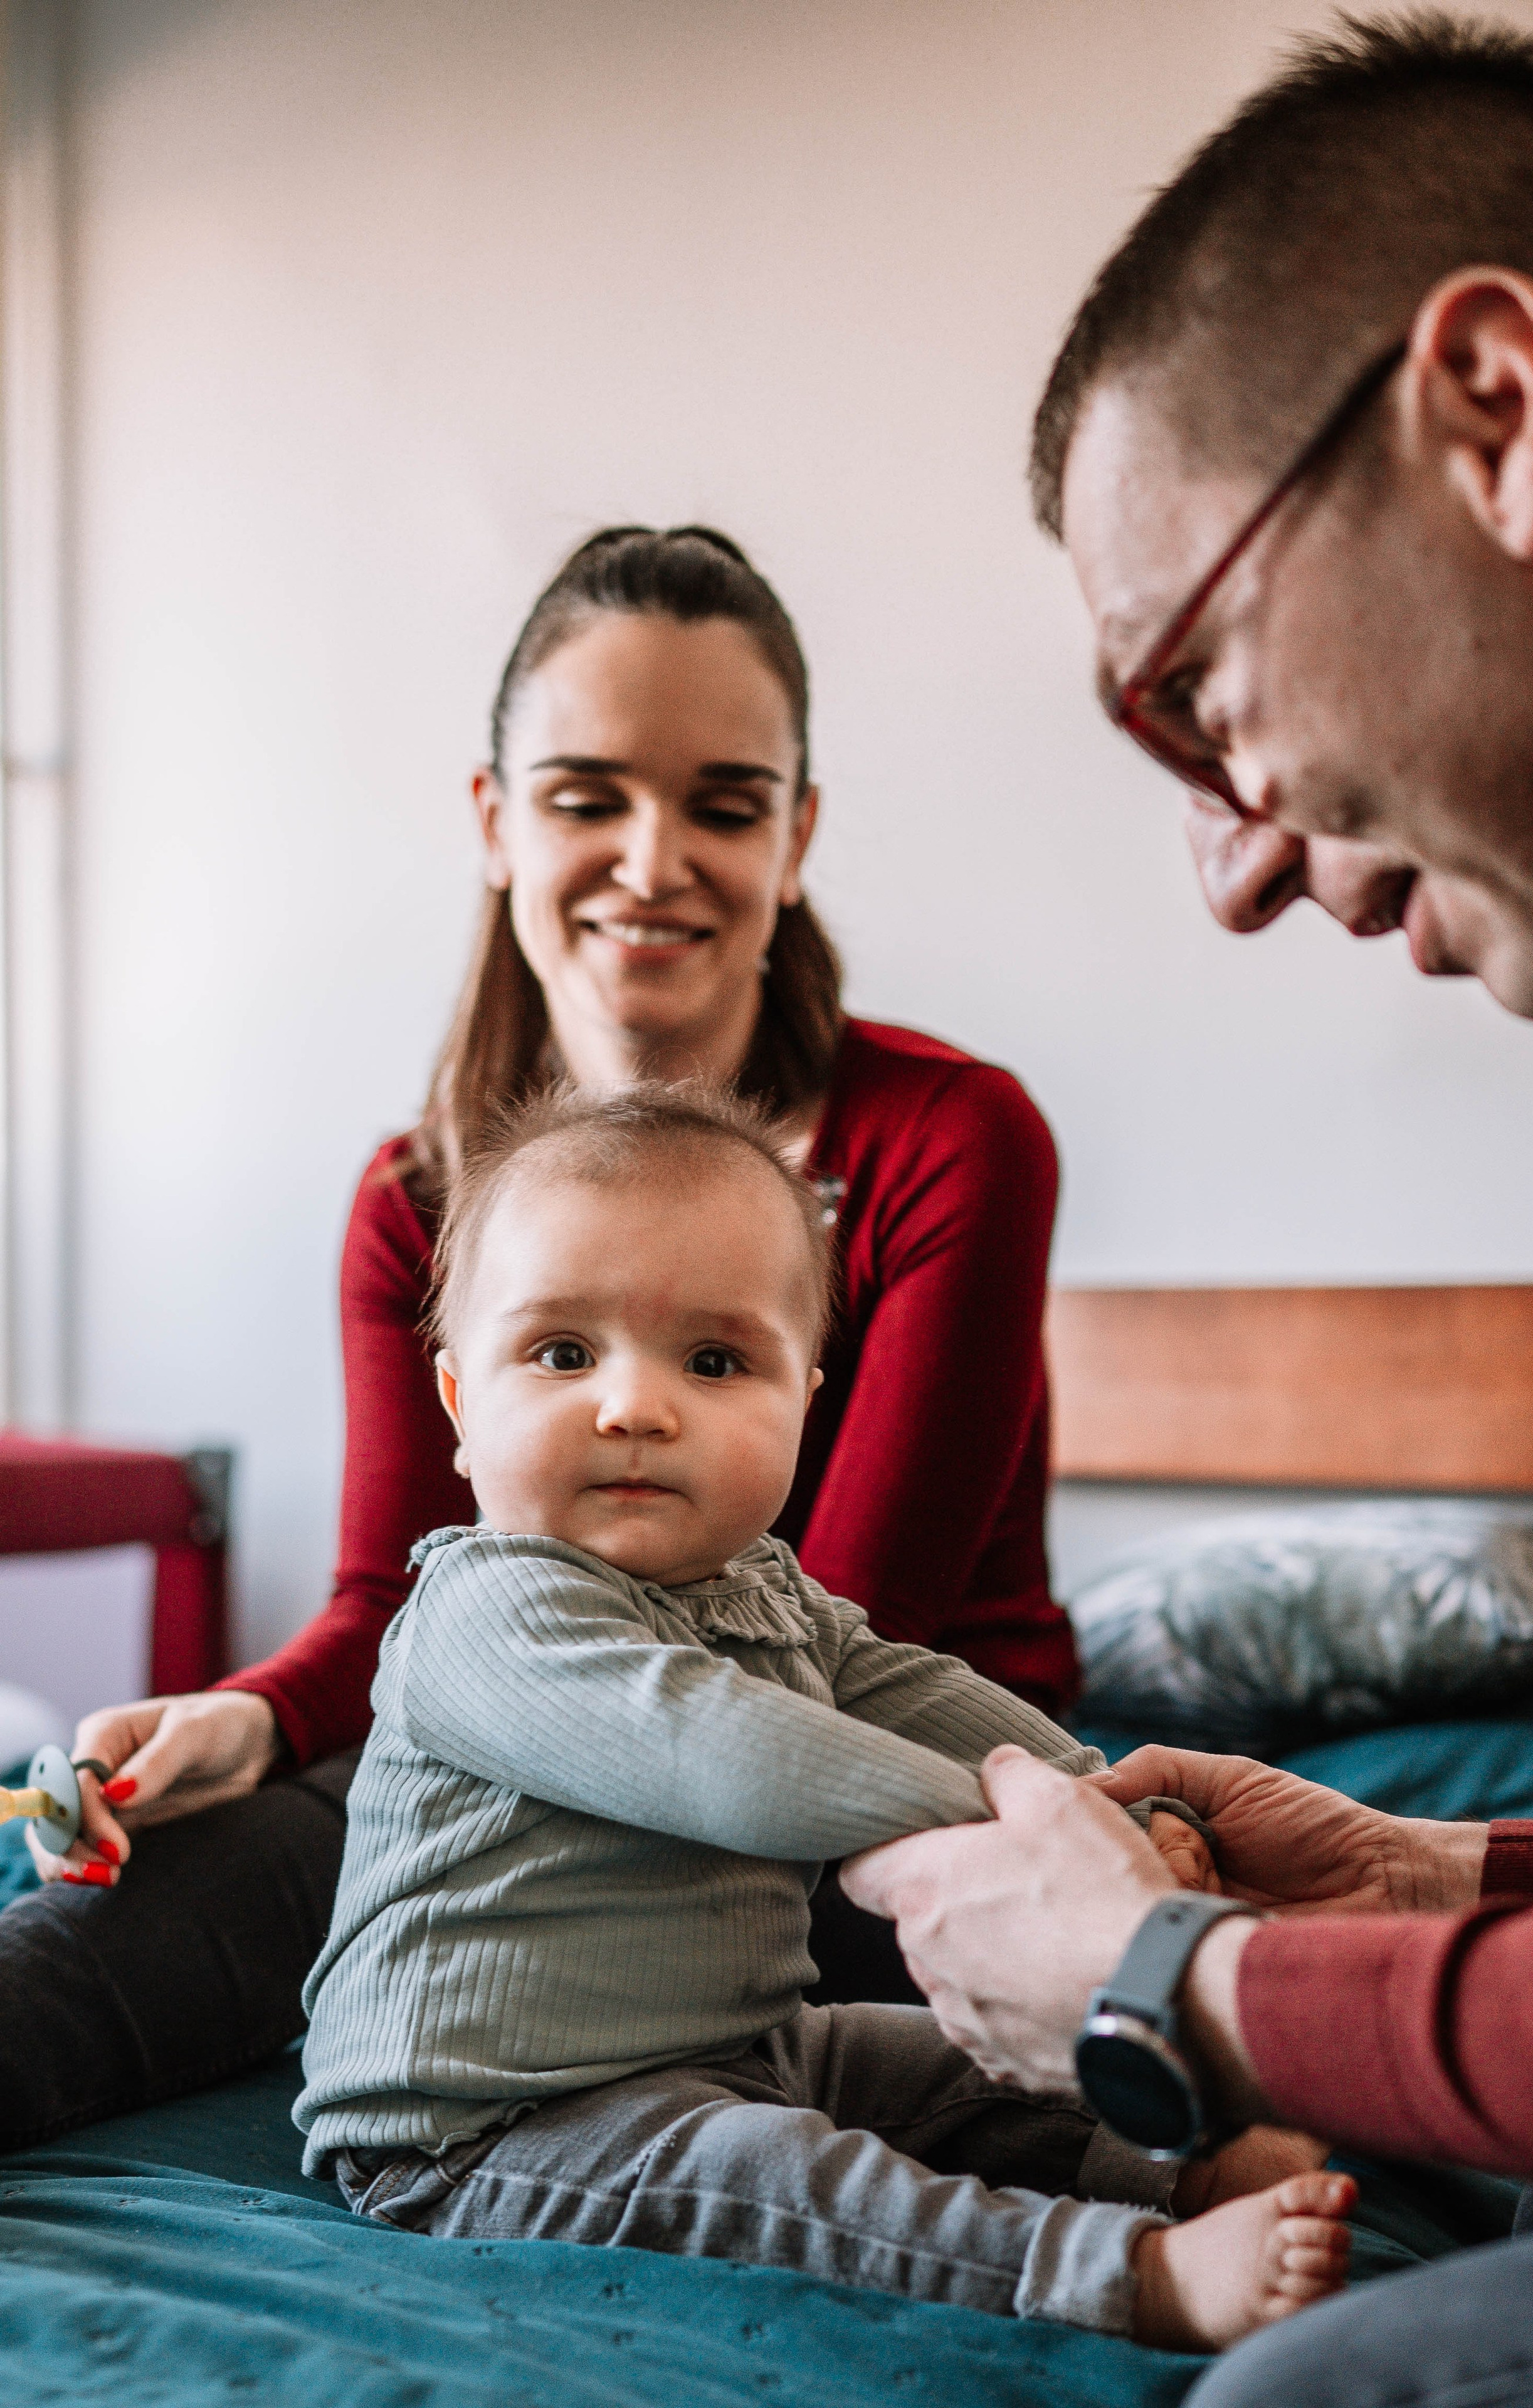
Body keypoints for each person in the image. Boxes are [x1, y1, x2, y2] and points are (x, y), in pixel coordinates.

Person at [845, 15, 1533, 2404]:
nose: (1236, 871)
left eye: (1192, 696)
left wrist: (1176, 1984)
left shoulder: (953, 1131)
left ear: (1497, 412)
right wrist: (1427, 1875)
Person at [1, 525, 1075, 2146]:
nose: (653, 860)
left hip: (873, 1789)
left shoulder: (950, 1141)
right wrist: (260, 1717)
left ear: (796, 838)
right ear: (497, 823)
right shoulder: (416, 1198)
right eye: (586, 798)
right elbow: (404, 1598)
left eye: (725, 806)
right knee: (219, 1871)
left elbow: (834, 1638)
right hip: (552, 1756)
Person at [295, 1079, 1354, 2355]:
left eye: (713, 1362)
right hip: (485, 2125)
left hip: (751, 2044)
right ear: (462, 1409)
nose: (634, 1408)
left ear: (803, 1399)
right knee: (777, 2175)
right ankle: (1126, 2274)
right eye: (563, 1354)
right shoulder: (488, 1611)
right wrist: (1042, 1845)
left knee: (975, 2060)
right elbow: (717, 1750)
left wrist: (1113, 1802)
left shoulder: (768, 1598)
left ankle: (1184, 2155)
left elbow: (933, 1701)